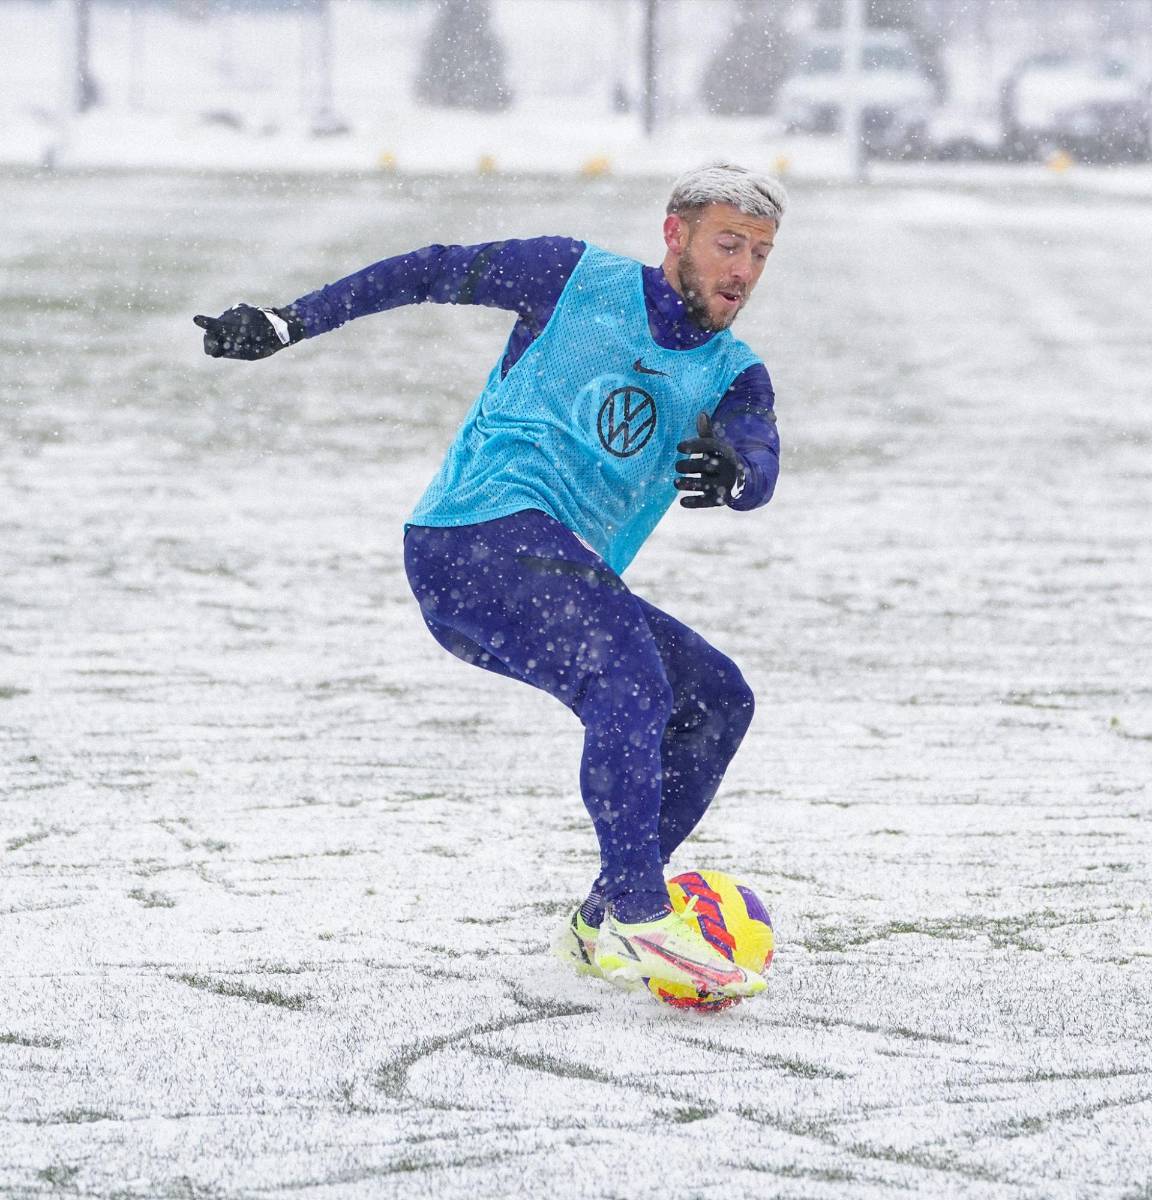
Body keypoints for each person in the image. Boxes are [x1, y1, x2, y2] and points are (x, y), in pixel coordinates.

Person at [195, 162, 785, 1002]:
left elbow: (758, 459)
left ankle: (599, 923)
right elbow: (433, 267)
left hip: (556, 577)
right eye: (729, 245)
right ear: (674, 235)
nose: (743, 271)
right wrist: (292, 322)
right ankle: (643, 913)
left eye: (761, 254)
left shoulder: (734, 372)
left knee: (716, 698)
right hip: (472, 538)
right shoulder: (573, 276)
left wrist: (736, 476)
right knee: (630, 676)